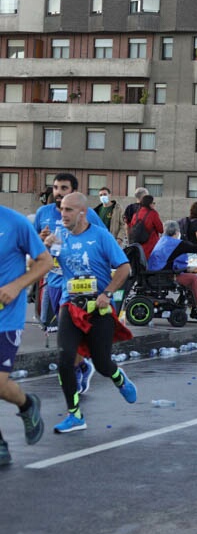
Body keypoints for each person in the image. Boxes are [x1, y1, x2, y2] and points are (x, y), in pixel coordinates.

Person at [50, 192, 136, 434]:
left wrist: (107, 293)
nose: (63, 214)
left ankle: (118, 377)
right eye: (62, 209)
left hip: (99, 307)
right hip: (71, 306)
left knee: (102, 363)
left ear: (82, 213)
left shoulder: (100, 236)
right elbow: (46, 262)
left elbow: (124, 267)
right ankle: (75, 415)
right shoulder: (60, 237)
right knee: (64, 360)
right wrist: (44, 247)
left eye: (68, 210)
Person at [33, 173, 106, 393]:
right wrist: (40, 236)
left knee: (70, 332)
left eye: (64, 188)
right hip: (53, 279)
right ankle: (82, 365)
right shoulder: (43, 213)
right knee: (50, 324)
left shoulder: (88, 213)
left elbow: (101, 237)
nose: (58, 192)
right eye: (55, 187)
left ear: (74, 191)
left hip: (77, 283)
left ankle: (75, 372)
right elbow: (32, 240)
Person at [0, 205, 53, 466]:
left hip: (5, 317)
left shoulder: (14, 223)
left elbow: (45, 261)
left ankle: (27, 404)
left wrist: (17, 285)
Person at [147, 220, 197, 319]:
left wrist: (185, 269)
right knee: (193, 278)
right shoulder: (177, 244)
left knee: (190, 276)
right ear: (177, 232)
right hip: (165, 276)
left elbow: (169, 259)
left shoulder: (162, 240)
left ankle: (191, 304)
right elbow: (196, 248)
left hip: (156, 273)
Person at [129, 194, 163, 260]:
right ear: (149, 204)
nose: (154, 205)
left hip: (138, 246)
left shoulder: (136, 214)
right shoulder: (153, 214)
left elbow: (131, 227)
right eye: (153, 203)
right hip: (151, 246)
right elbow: (161, 229)